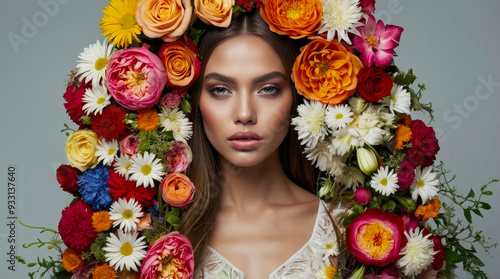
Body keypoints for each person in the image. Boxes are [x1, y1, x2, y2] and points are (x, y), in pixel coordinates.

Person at [180, 11, 343, 278]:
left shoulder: (349, 230)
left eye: (268, 89)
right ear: (195, 100)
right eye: (220, 89)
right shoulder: (153, 231)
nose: (245, 114)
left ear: (297, 98)